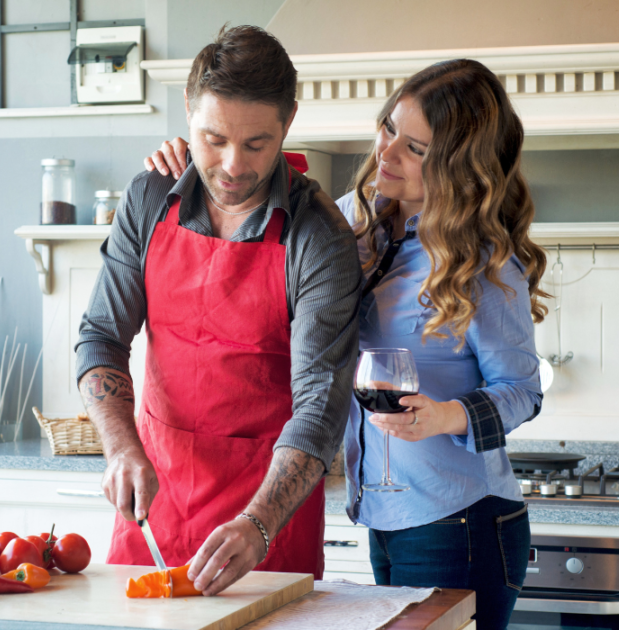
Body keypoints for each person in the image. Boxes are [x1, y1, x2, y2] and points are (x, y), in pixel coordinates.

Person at [145, 59, 547, 629]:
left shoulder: (484, 265)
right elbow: (255, 200)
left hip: (462, 520)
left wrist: (448, 415)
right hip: (380, 513)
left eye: (415, 149)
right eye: (388, 128)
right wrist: (192, 165)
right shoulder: (352, 221)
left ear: (459, 166)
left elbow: (522, 392)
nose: (385, 154)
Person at [75, 25, 361, 597]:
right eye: (213, 139)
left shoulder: (318, 234)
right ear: (186, 111)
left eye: (256, 143)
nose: (233, 165)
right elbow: (101, 336)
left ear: (288, 122)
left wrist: (259, 524)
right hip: (153, 508)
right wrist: (121, 448)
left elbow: (319, 410)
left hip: (265, 528)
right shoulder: (150, 198)